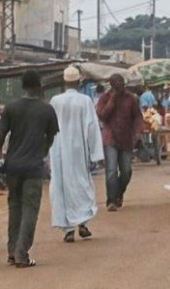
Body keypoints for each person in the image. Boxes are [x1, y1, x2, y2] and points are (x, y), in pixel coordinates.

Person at [0, 70, 59, 268]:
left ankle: (12, 251)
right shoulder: (47, 110)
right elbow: (51, 137)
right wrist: (42, 152)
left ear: (22, 86)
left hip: (12, 167)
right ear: (39, 86)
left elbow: (0, 137)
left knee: (15, 207)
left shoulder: (11, 107)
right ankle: (21, 253)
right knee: (30, 209)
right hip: (33, 167)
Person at [49, 66, 104, 243]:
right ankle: (82, 223)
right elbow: (92, 127)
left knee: (61, 186)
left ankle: (68, 229)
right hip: (79, 150)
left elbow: (48, 128)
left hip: (58, 150)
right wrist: (95, 154)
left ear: (64, 82)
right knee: (82, 185)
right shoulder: (85, 100)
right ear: (79, 82)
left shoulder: (55, 101)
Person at [96, 73, 144, 211]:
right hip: (110, 139)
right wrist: (112, 100)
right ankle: (111, 200)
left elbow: (138, 118)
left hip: (127, 138)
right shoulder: (104, 99)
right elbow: (102, 115)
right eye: (116, 83)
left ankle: (118, 193)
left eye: (121, 83)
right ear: (111, 85)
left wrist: (137, 134)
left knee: (126, 171)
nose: (119, 86)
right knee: (111, 170)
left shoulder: (131, 99)